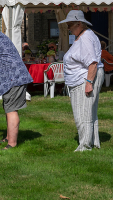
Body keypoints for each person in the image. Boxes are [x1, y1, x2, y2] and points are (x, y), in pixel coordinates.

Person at [58, 10, 104, 152]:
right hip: (82, 78)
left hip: (85, 78)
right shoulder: (83, 35)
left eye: (70, 24)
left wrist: (89, 83)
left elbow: (92, 63)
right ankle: (93, 142)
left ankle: (85, 146)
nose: (68, 27)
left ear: (79, 24)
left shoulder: (86, 38)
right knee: (88, 112)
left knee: (83, 113)